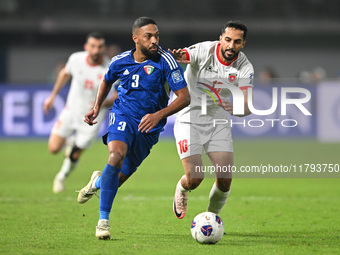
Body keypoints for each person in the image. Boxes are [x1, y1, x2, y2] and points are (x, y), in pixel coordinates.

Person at [76, 17, 190, 240]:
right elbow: (107, 80)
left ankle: (98, 181)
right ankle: (103, 221)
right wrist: (97, 107)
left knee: (116, 178)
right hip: (123, 115)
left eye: (157, 35)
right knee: (116, 155)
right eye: (149, 36)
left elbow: (185, 97)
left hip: (149, 128)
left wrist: (158, 115)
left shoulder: (166, 60)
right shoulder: (120, 61)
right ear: (136, 38)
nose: (154, 40)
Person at [169, 20, 254, 219]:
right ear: (220, 39)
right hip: (188, 116)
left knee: (225, 180)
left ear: (243, 44)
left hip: (217, 119)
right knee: (195, 178)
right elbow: (185, 55)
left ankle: (211, 219)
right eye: (228, 40)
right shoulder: (204, 50)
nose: (231, 46)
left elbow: (247, 105)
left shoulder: (245, 67)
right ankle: (181, 189)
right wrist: (178, 58)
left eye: (237, 42)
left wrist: (239, 109)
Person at [43, 32, 117, 193]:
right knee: (54, 148)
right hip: (71, 111)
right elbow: (64, 74)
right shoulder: (76, 59)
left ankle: (61, 176)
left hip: (92, 119)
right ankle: (72, 144)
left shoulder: (111, 67)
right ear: (86, 47)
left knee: (75, 154)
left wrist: (101, 104)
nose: (96, 50)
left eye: (99, 47)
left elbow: (117, 94)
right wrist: (52, 96)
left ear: (104, 48)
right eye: (93, 46)